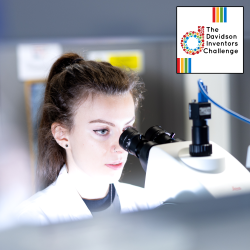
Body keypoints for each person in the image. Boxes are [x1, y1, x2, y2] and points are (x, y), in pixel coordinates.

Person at [17, 53, 162, 225]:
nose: (120, 147)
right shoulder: (32, 220)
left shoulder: (149, 205)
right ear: (62, 134)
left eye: (126, 129)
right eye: (102, 130)